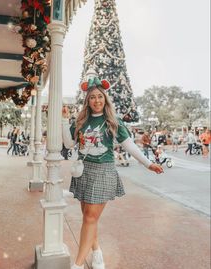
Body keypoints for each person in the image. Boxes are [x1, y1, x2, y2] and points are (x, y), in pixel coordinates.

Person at [62, 75, 163, 269]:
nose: (97, 100)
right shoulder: (82, 120)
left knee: (90, 217)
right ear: (88, 101)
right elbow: (68, 143)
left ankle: (77, 265)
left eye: (100, 96)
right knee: (88, 218)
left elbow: (129, 145)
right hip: (84, 171)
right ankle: (97, 252)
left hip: (104, 171)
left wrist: (148, 163)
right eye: (92, 97)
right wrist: (64, 120)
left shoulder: (113, 121)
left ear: (105, 99)